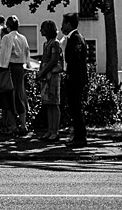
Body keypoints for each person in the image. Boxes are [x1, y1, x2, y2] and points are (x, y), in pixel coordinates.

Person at [0, 15, 29, 136]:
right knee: (20, 94)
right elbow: (27, 52)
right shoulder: (23, 38)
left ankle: (13, 126)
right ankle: (23, 124)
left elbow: (4, 55)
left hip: (9, 67)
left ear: (8, 26)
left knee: (8, 95)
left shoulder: (7, 37)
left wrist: (2, 69)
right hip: (20, 67)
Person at [61, 12, 88, 147]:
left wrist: (70, 74)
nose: (61, 26)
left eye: (63, 23)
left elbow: (75, 60)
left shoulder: (76, 39)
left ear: (69, 24)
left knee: (75, 107)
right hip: (77, 77)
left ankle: (80, 137)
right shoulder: (77, 38)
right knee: (74, 107)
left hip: (75, 79)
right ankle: (78, 134)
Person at [35, 20, 62, 142]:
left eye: (42, 28)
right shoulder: (46, 44)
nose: (41, 31)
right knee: (48, 103)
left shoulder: (55, 43)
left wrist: (43, 71)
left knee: (54, 103)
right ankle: (50, 130)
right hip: (46, 76)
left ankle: (55, 131)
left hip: (53, 75)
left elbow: (54, 60)